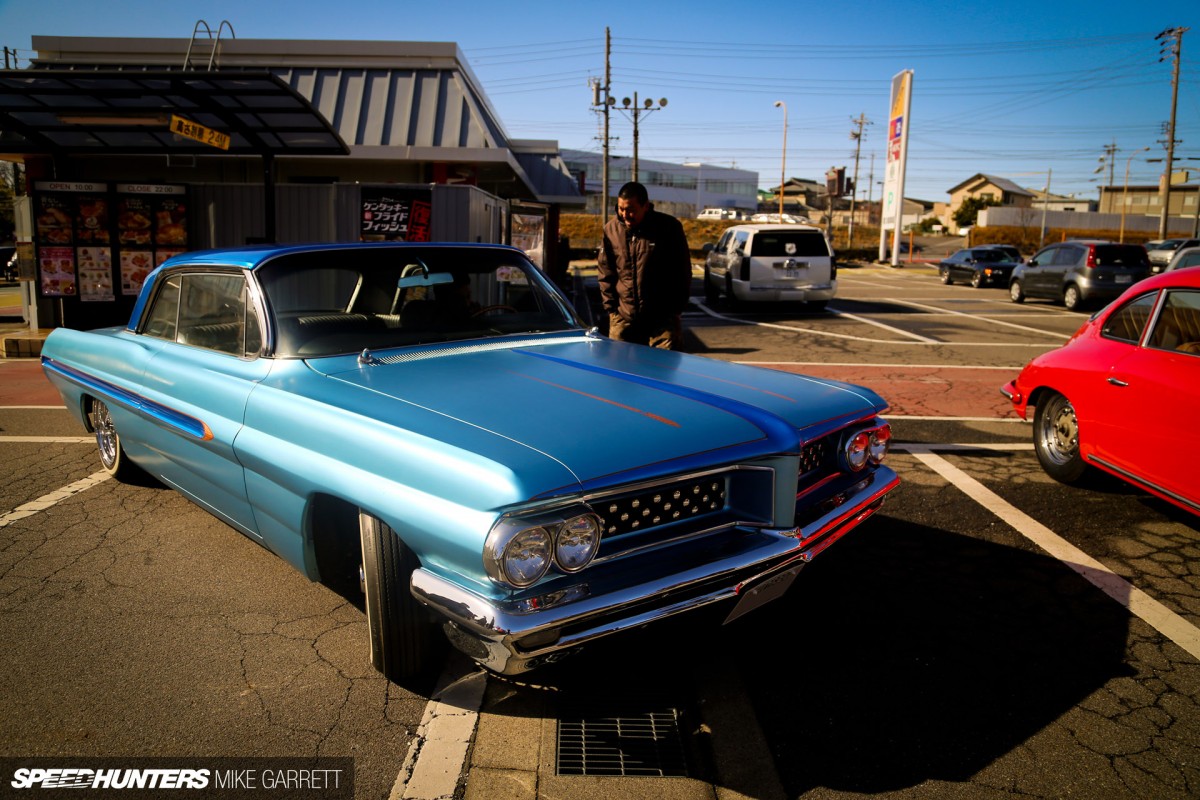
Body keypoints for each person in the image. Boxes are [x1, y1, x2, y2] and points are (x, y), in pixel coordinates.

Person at [597, 182, 693, 350]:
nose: (625, 215)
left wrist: (676, 310)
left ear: (646, 206)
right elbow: (605, 270)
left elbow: (682, 272)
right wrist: (611, 310)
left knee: (661, 372)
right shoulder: (611, 230)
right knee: (622, 373)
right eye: (621, 209)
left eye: (631, 209)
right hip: (623, 318)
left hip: (662, 320)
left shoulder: (669, 228)